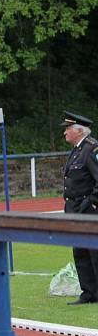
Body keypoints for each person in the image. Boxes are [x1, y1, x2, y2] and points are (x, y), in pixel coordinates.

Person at [61, 110, 98, 305]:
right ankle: (88, 293)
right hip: (74, 208)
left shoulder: (92, 149)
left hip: (89, 209)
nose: (65, 132)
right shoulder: (77, 150)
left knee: (94, 251)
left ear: (79, 130)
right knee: (80, 250)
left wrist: (92, 201)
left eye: (67, 129)